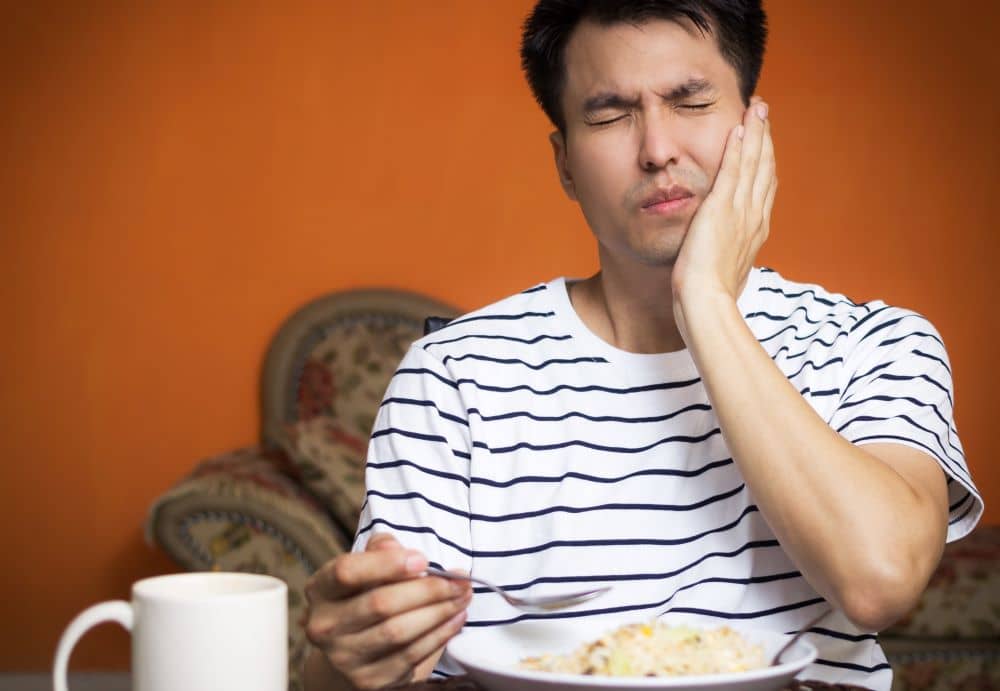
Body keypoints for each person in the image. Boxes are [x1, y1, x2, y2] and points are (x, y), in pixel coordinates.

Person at [302, 2, 983, 689]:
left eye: (690, 101)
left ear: (753, 129)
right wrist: (338, 658)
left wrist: (706, 303)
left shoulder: (877, 344)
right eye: (608, 115)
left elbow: (880, 579)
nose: (657, 148)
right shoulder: (453, 378)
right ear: (564, 164)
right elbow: (374, 662)